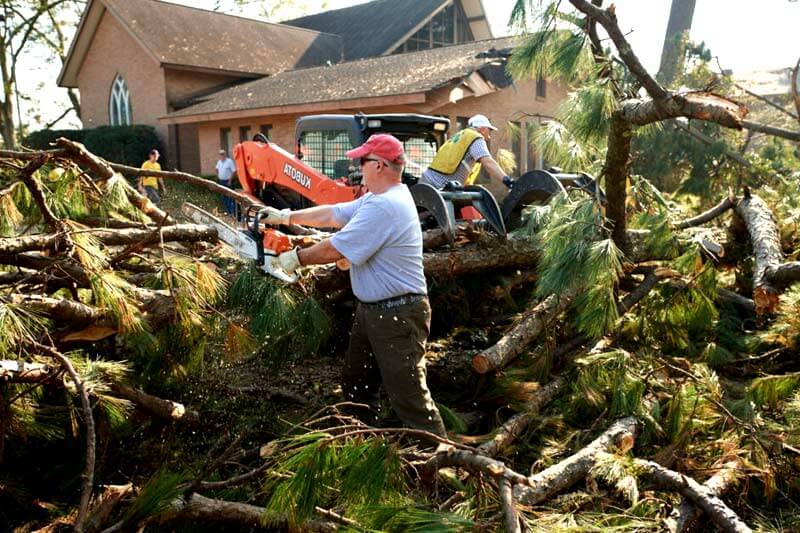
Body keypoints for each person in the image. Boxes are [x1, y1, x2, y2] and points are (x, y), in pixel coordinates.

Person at [262, 134, 447, 437]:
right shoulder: (375, 198)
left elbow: (336, 248)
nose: (359, 168)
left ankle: (440, 462)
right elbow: (333, 213)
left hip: (397, 313)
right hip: (374, 311)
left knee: (410, 398)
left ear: (379, 165)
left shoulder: (387, 206)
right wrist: (285, 216)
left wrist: (293, 259)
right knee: (357, 383)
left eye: (363, 161)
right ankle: (363, 442)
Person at [421, 114, 513, 190]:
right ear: (483, 129)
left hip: (425, 182)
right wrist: (507, 181)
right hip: (439, 187)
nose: (489, 136)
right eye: (489, 131)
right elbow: (488, 162)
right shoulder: (476, 138)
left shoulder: (460, 136)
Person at [216, 149, 237, 216]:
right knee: (223, 197)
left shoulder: (229, 161)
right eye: (220, 154)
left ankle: (232, 213)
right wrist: (218, 176)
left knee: (230, 197)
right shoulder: (219, 162)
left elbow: (234, 171)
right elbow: (216, 169)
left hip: (228, 182)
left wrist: (230, 180)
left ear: (225, 155)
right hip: (222, 182)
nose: (222, 155)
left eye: (223, 154)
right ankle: (228, 212)